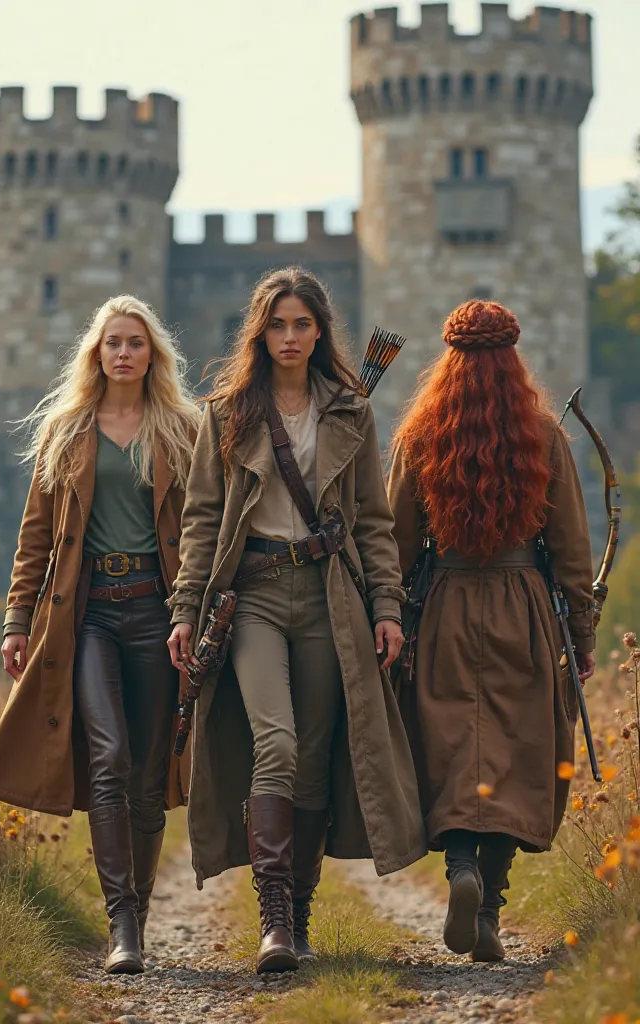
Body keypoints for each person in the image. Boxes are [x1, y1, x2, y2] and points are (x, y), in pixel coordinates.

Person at [167, 266, 425, 974]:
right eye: (277, 324)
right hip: (248, 597)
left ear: (319, 331)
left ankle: (300, 915)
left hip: (329, 599)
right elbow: (200, 521)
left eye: (302, 324)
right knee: (274, 741)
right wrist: (186, 609)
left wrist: (387, 608)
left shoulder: (351, 410)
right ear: (260, 330)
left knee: (310, 756)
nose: (289, 336)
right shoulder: (224, 414)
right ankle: (274, 919)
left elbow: (373, 522)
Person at [0, 295, 200, 975]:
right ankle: (122, 927)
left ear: (151, 353)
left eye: (134, 342)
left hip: (160, 616)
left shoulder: (183, 431)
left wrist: (197, 608)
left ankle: (140, 907)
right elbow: (34, 537)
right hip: (89, 612)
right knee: (108, 757)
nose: (123, 352)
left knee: (148, 772)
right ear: (96, 353)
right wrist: (17, 621)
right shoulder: (67, 431)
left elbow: (201, 529)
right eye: (112, 343)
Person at [388, 299, 595, 963]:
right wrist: (583, 636)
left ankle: (462, 872)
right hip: (524, 609)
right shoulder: (542, 433)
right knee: (515, 753)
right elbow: (570, 549)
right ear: (513, 359)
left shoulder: (421, 436)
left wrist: (389, 616)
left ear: (449, 362)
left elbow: (394, 542)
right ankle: (489, 915)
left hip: (446, 605)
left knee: (450, 748)